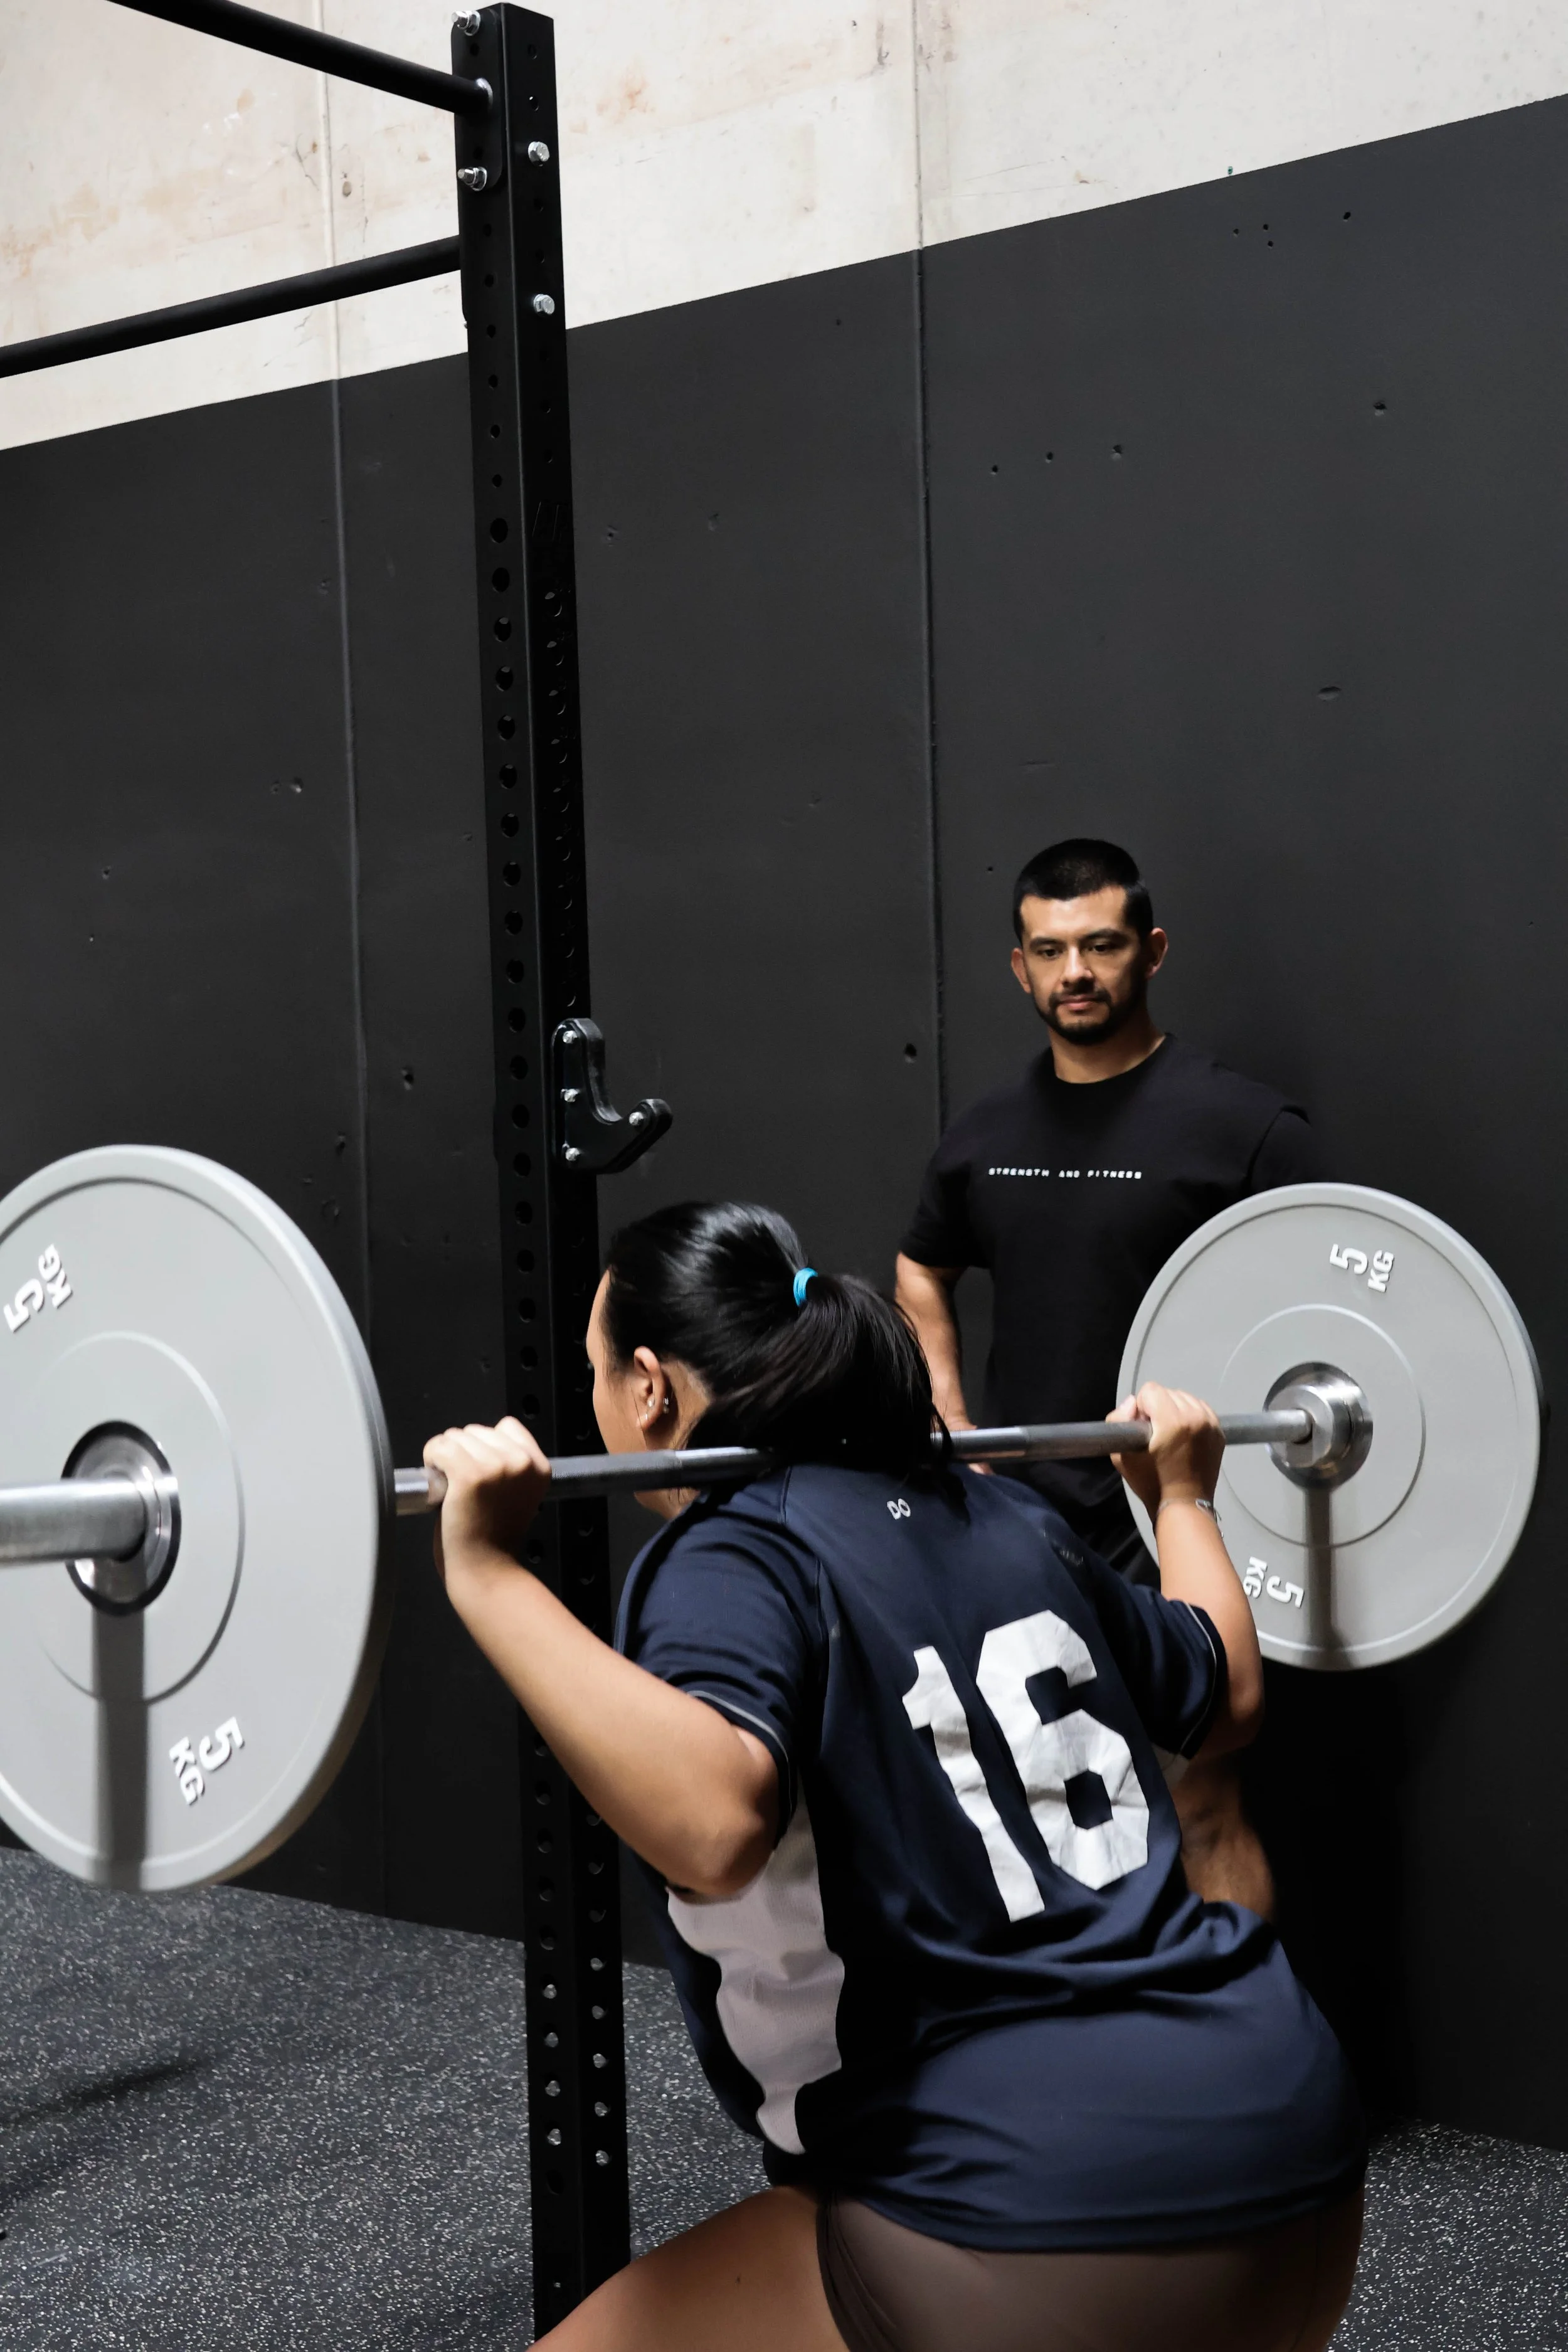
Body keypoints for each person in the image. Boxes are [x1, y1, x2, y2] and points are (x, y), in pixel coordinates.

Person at [425, 1202, 1364, 2352]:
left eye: (596, 1374)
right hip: (1300, 2154)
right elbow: (1224, 1694)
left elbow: (715, 1825)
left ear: (651, 1388)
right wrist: (1182, 1492)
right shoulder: (1006, 1511)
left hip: (1042, 2225)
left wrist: (486, 1573)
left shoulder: (732, 1549)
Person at [895, 839, 1323, 1915]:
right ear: (1020, 968)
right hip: (1021, 1522)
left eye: (1100, 944)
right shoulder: (985, 1133)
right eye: (1050, 950)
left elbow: (1340, 1290)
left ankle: (1243, 2055)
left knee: (1204, 1792)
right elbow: (919, 1265)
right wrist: (954, 1424)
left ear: (1152, 950)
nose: (1075, 970)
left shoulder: (1243, 1127)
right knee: (1047, 1796)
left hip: (1172, 1512)